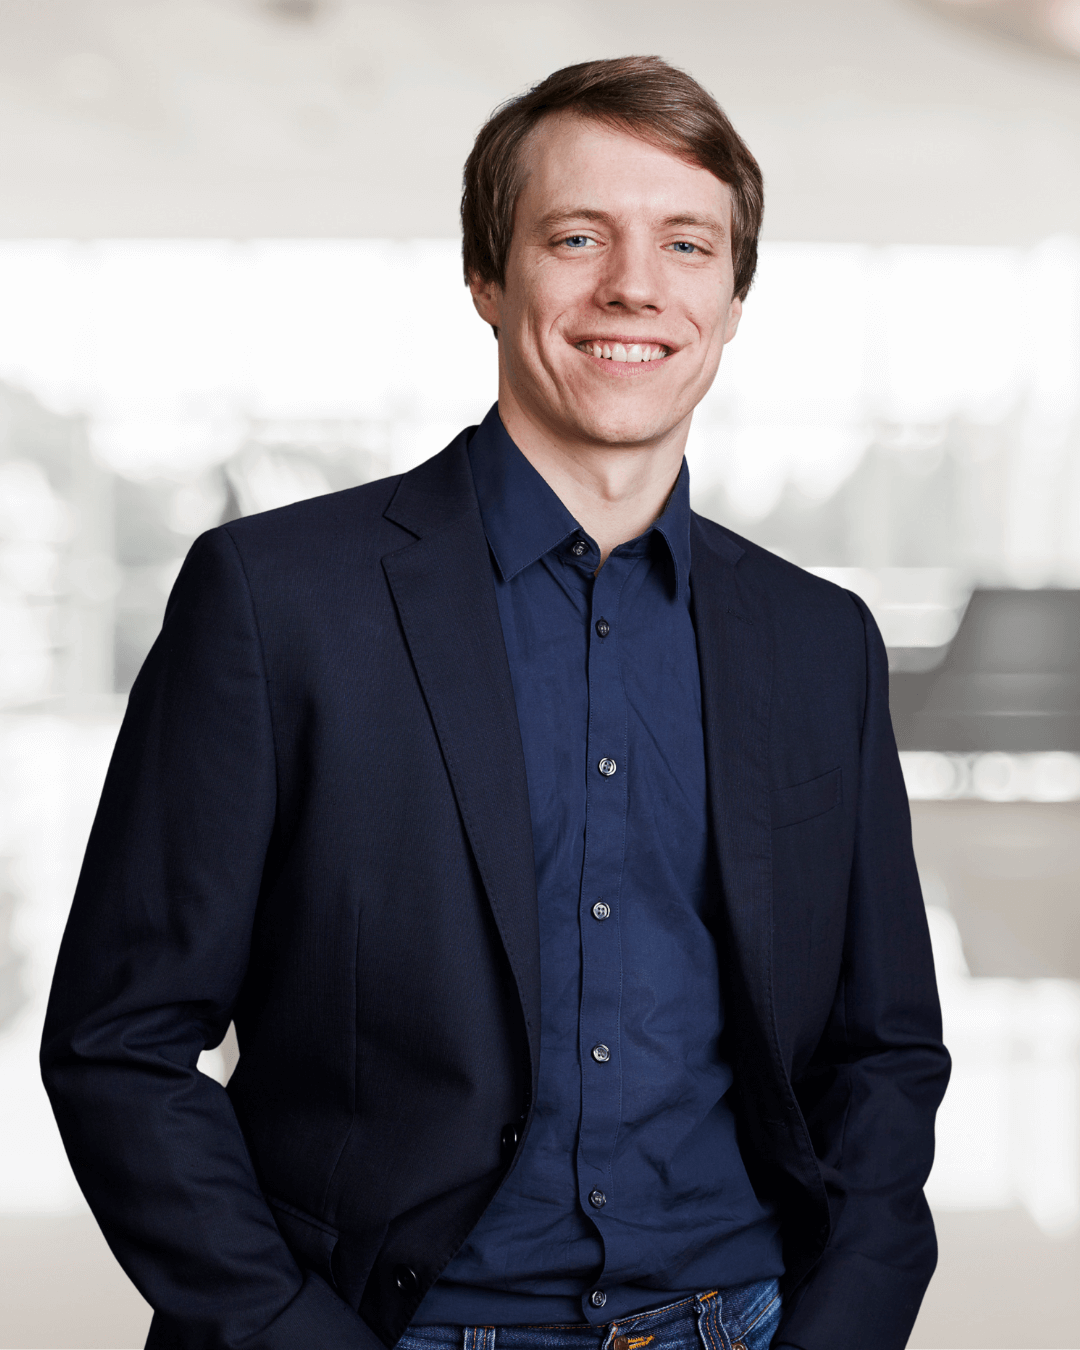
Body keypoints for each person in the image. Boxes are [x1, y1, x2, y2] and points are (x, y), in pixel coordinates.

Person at [41, 55, 949, 1350]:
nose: (635, 285)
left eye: (687, 243)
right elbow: (122, 1041)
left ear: (733, 299)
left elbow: (883, 1053)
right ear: (487, 275)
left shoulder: (822, 643)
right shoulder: (273, 599)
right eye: (578, 236)